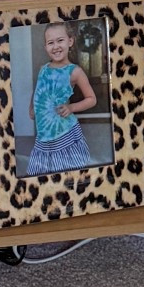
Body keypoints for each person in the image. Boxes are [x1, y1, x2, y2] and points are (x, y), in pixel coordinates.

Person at [26, 22, 97, 175]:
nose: (55, 46)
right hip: (43, 134)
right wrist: (31, 107)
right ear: (45, 47)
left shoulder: (74, 72)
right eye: (50, 43)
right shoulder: (43, 69)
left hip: (64, 132)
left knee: (66, 173)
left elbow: (92, 99)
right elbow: (39, 89)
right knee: (41, 174)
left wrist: (71, 108)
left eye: (60, 40)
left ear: (70, 41)